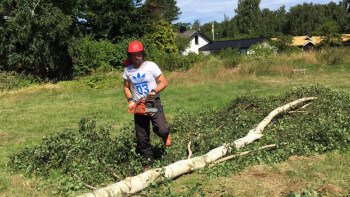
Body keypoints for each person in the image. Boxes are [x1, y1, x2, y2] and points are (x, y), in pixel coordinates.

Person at [122, 41, 171, 171]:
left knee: (161, 129)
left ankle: (165, 133)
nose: (137, 57)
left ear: (143, 54)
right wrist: (130, 100)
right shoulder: (128, 70)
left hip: (152, 103)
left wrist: (154, 91)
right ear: (130, 56)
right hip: (139, 106)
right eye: (134, 55)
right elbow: (126, 87)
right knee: (142, 137)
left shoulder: (151, 66)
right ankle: (147, 162)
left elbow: (164, 82)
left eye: (139, 54)